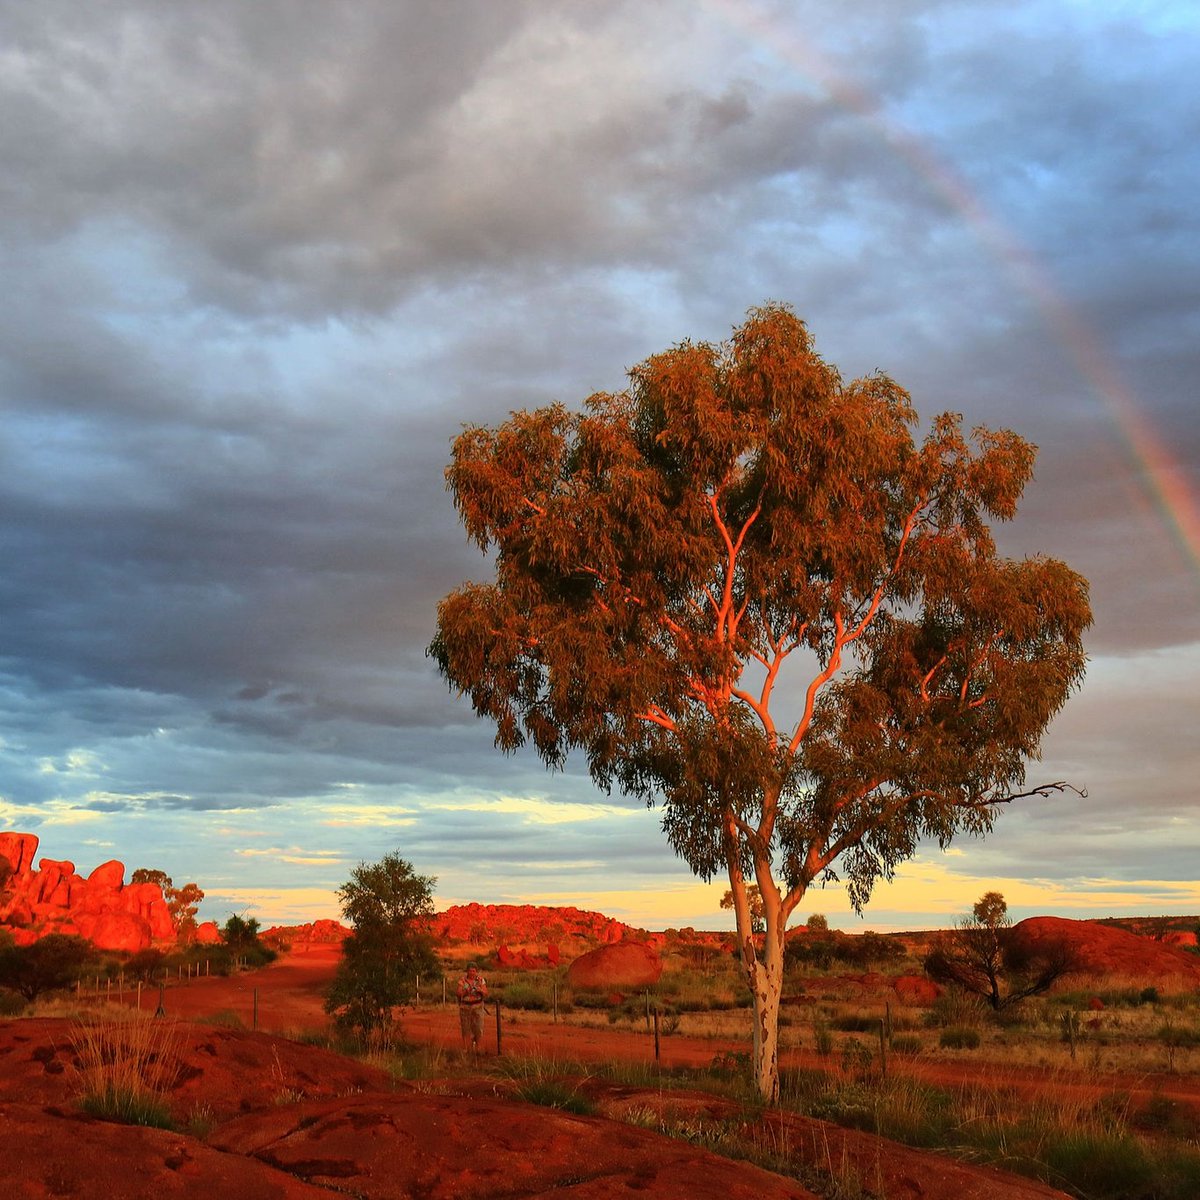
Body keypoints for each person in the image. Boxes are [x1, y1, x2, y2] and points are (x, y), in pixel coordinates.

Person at [456, 963, 488, 1052]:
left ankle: (478, 1048)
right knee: (465, 1028)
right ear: (467, 971)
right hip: (465, 1007)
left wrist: (480, 990)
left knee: (478, 1028)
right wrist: (465, 991)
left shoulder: (481, 980)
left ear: (476, 972)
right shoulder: (462, 980)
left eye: (474, 971)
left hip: (478, 1007)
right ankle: (466, 1049)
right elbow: (458, 993)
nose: (472, 973)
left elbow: (486, 992)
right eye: (470, 970)